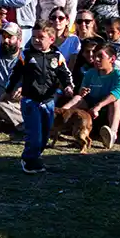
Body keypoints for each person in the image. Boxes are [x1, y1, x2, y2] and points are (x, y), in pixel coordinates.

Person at [16, 22, 74, 174]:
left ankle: (36, 156)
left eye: (40, 37)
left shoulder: (57, 56)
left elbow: (65, 73)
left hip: (48, 101)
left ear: (51, 39)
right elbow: (16, 73)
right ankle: (29, 160)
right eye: (33, 37)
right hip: (30, 100)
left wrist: (68, 86)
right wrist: (12, 88)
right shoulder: (26, 55)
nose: (36, 40)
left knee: (45, 133)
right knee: (34, 132)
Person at [61, 41, 120, 149]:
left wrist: (99, 106)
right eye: (95, 56)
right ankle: (56, 120)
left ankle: (112, 134)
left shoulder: (118, 75)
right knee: (78, 98)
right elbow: (81, 94)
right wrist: (82, 93)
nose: (96, 59)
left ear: (112, 59)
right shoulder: (90, 73)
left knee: (116, 101)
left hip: (110, 116)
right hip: (91, 116)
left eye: (100, 57)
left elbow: (119, 92)